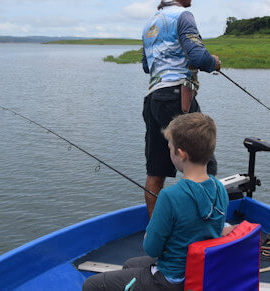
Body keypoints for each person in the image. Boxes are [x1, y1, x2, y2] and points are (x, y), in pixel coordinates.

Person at [82, 113, 228, 291]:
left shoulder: (170, 196)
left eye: (170, 147)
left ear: (180, 155)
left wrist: (148, 235)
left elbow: (151, 249)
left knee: (92, 285)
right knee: (129, 264)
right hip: (199, 271)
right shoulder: (219, 188)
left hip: (170, 280)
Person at [141, 0, 221, 217]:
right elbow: (198, 56)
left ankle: (153, 231)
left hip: (153, 99)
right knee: (202, 163)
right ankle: (200, 226)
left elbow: (147, 66)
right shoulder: (183, 16)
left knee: (156, 170)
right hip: (178, 98)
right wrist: (214, 62)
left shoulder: (149, 23)